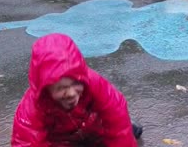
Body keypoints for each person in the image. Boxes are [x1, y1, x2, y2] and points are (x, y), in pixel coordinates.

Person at [11, 33, 142, 147]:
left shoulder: (95, 83)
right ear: (46, 89)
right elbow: (26, 142)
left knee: (125, 132)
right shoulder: (31, 109)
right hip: (61, 141)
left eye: (76, 83)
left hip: (94, 131)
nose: (72, 93)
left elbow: (116, 113)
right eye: (61, 88)